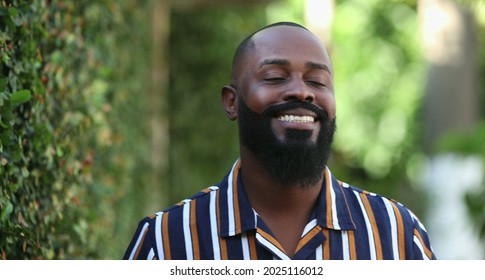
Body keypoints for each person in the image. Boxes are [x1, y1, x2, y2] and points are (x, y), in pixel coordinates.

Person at [123, 21, 436, 260]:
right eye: (274, 77)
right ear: (231, 102)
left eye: (317, 81)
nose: (302, 91)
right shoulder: (165, 242)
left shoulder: (397, 234)